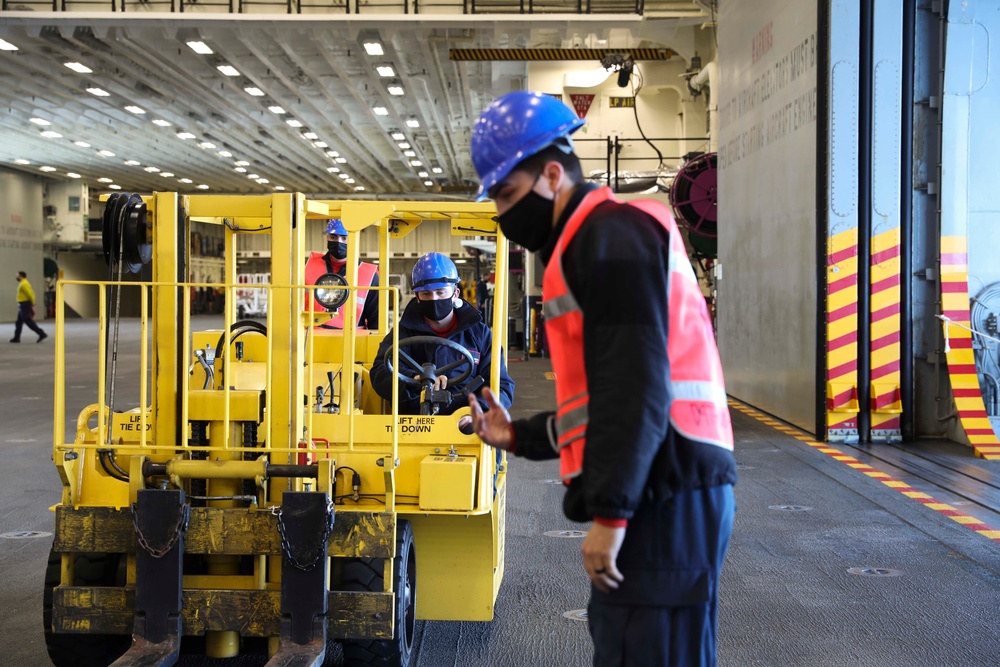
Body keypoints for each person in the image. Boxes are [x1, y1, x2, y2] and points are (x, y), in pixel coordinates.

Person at [466, 91, 737, 667]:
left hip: (666, 489)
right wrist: (516, 436)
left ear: (553, 174)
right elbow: (601, 405)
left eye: (509, 194)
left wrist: (611, 518)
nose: (504, 215)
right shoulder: (594, 241)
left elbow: (635, 388)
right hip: (662, 480)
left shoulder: (609, 239)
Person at [369, 252, 514, 428]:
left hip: (465, 420)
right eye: (426, 294)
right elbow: (380, 373)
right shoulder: (403, 332)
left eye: (440, 292)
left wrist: (477, 412)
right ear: (417, 297)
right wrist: (413, 379)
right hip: (414, 424)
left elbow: (502, 385)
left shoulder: (479, 334)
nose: (434, 299)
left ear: (455, 294)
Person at [305, 218, 379, 329]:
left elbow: (376, 322)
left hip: (351, 343)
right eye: (333, 237)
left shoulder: (371, 276)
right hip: (309, 340)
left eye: (344, 238)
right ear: (327, 237)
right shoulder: (308, 266)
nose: (338, 242)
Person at [11, 270, 47, 344]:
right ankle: (16, 337)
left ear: (21, 276)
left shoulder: (24, 284)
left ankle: (41, 333)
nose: (17, 277)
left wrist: (33, 302)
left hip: (24, 304)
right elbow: (31, 293)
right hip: (22, 304)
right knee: (19, 322)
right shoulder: (24, 283)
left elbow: (30, 294)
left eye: (17, 275)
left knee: (27, 320)